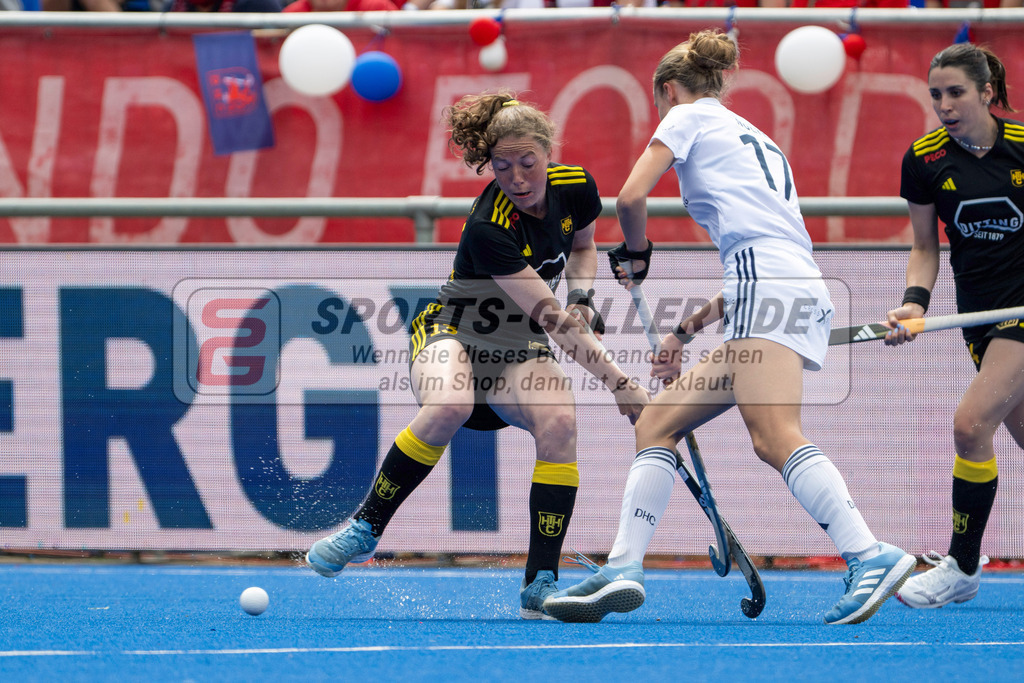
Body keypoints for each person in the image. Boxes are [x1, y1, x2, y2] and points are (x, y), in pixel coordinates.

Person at [542, 29, 914, 625]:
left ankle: (870, 555)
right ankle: (623, 567)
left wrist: (635, 255)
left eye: (660, 101)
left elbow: (631, 198)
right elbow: (763, 247)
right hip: (776, 288)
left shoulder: (687, 118)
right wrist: (684, 331)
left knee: (774, 436)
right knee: (658, 423)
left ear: (668, 90)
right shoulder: (759, 137)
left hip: (770, 291)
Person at [305, 92, 650, 619]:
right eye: (501, 166)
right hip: (455, 335)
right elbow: (552, 321)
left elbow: (582, 249)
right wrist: (621, 382)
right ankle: (365, 529)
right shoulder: (491, 225)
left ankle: (540, 586)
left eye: (527, 162)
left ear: (548, 153)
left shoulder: (577, 186)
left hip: (520, 348)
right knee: (449, 405)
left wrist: (581, 296)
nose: (516, 178)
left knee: (559, 422)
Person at [885, 43, 1023, 609]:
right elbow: (924, 247)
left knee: (969, 427)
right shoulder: (923, 159)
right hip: (977, 316)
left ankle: (962, 567)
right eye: (936, 93)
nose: (943, 104)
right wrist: (914, 303)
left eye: (956, 92)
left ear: (987, 92)